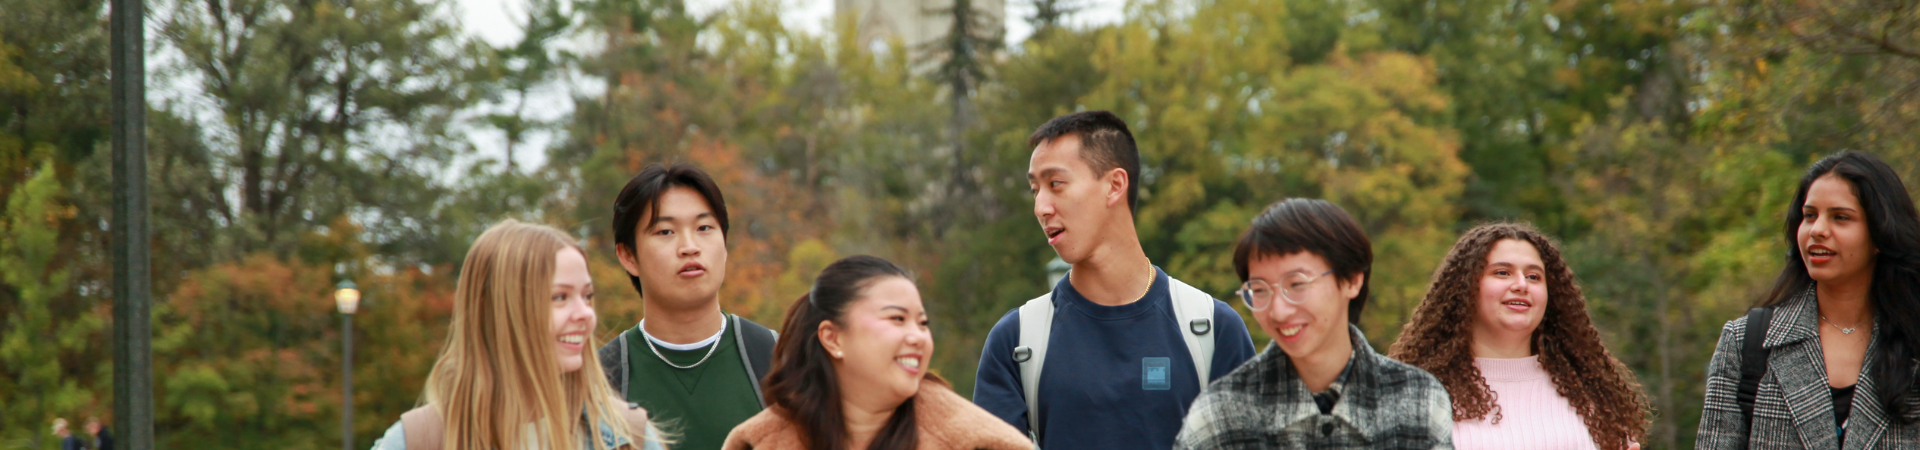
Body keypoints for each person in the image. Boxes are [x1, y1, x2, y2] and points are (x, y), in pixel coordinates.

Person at [973, 111, 1257, 449]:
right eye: (1035, 189)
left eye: (1055, 184)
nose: (1041, 207)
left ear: (1114, 185)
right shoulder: (1016, 342)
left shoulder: (1212, 328)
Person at [1173, 198, 1453, 449]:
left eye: (1296, 284)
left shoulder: (1418, 401)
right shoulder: (1219, 416)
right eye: (1259, 290)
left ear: (1352, 279)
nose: (1279, 311)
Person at [371, 220, 663, 450]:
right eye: (560, 297)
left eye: (587, 296)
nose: (585, 314)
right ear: (500, 312)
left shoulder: (627, 437)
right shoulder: (420, 441)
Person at [1696, 151, 1920, 448]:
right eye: (1809, 215)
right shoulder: (1745, 342)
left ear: (1881, 233)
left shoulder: (1913, 340)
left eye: (1841, 218)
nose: (1817, 230)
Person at [1387, 222, 1650, 449]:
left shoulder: (1591, 395)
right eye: (1502, 272)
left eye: (1534, 276)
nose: (1521, 285)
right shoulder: (1416, 396)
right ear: (1465, 288)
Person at [723, 255, 1030, 449]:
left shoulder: (974, 441)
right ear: (833, 338)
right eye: (897, 319)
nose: (918, 337)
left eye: (922, 323)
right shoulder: (759, 441)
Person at [598, 162, 780, 450]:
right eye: (666, 232)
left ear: (725, 243)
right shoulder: (601, 380)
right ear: (628, 256)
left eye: (704, 228)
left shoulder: (779, 359)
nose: (689, 246)